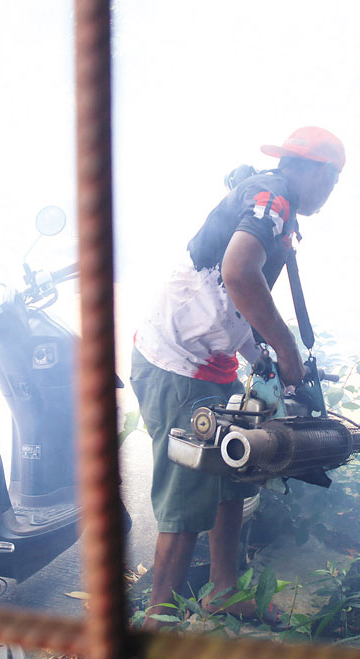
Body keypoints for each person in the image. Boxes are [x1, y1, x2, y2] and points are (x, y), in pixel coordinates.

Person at [130, 126, 345, 629]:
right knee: (188, 484)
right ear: (317, 171)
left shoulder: (274, 203)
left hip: (210, 359)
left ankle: (224, 591)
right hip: (178, 363)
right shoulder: (272, 199)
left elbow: (232, 300)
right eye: (333, 181)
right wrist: (287, 349)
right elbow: (238, 273)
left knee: (233, 471)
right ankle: (157, 621)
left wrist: (260, 356)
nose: (331, 192)